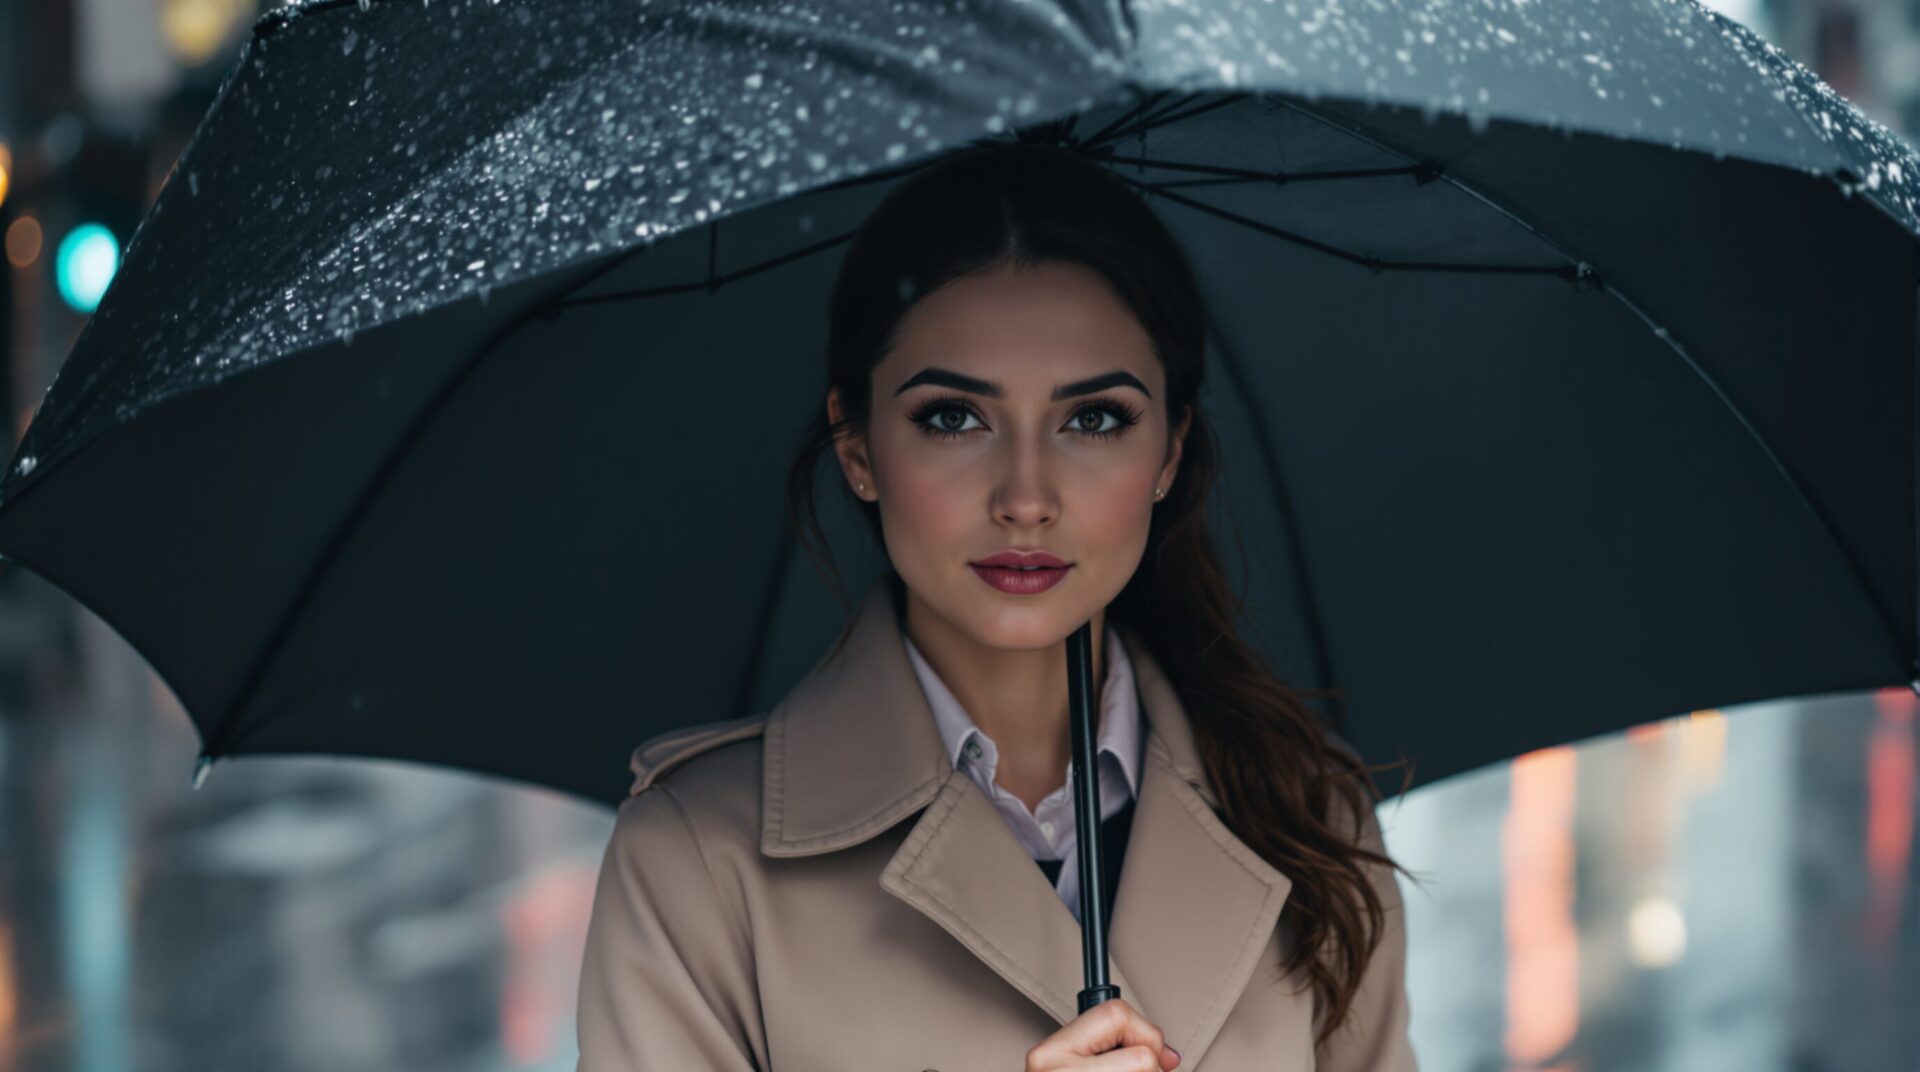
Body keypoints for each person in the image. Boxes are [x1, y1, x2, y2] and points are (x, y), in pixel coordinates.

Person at [576, 140, 1420, 1070]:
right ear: (856, 447)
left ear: (1170, 454)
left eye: (1094, 418)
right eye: (953, 416)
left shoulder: (1310, 817)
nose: (1026, 496)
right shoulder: (698, 864)